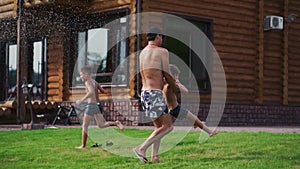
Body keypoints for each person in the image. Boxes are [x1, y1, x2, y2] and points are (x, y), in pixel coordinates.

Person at [133, 26, 179, 163]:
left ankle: (155, 156)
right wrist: (175, 87)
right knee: (168, 126)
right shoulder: (162, 51)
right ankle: (141, 148)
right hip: (155, 94)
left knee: (159, 127)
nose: (162, 40)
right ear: (158, 36)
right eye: (162, 37)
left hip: (144, 94)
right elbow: (166, 72)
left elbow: (150, 74)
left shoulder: (142, 53)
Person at [75, 66, 124, 149]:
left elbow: (90, 92)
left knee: (85, 125)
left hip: (91, 106)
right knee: (101, 125)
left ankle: (83, 145)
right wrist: (99, 89)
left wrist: (81, 100)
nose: (80, 77)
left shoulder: (87, 82)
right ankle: (116, 123)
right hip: (98, 105)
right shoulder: (95, 82)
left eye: (81, 75)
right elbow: (103, 91)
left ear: (86, 74)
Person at [163, 64, 218, 137]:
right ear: (173, 74)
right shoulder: (172, 85)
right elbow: (185, 91)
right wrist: (178, 82)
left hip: (172, 110)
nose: (178, 77)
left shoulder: (164, 85)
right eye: (177, 76)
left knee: (193, 118)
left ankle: (196, 124)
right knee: (195, 118)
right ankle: (210, 132)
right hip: (177, 109)